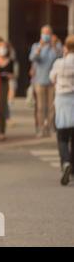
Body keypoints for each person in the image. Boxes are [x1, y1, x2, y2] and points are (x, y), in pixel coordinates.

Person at [50, 35, 74, 186]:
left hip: (62, 100)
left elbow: (52, 78)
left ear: (66, 47)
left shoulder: (59, 63)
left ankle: (65, 162)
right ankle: (72, 168)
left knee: (62, 137)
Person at [29, 25, 62, 137]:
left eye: (48, 33)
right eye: (44, 33)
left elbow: (61, 57)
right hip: (39, 80)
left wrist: (53, 45)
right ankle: (41, 128)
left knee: (52, 106)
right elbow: (32, 58)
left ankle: (50, 127)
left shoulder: (56, 46)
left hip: (53, 82)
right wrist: (40, 48)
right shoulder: (36, 46)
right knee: (40, 107)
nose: (46, 35)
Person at [0, 41, 14, 141]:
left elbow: (12, 74)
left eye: (4, 48)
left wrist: (7, 75)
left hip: (4, 85)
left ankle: (1, 131)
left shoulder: (10, 61)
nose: (2, 50)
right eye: (1, 47)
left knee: (2, 106)